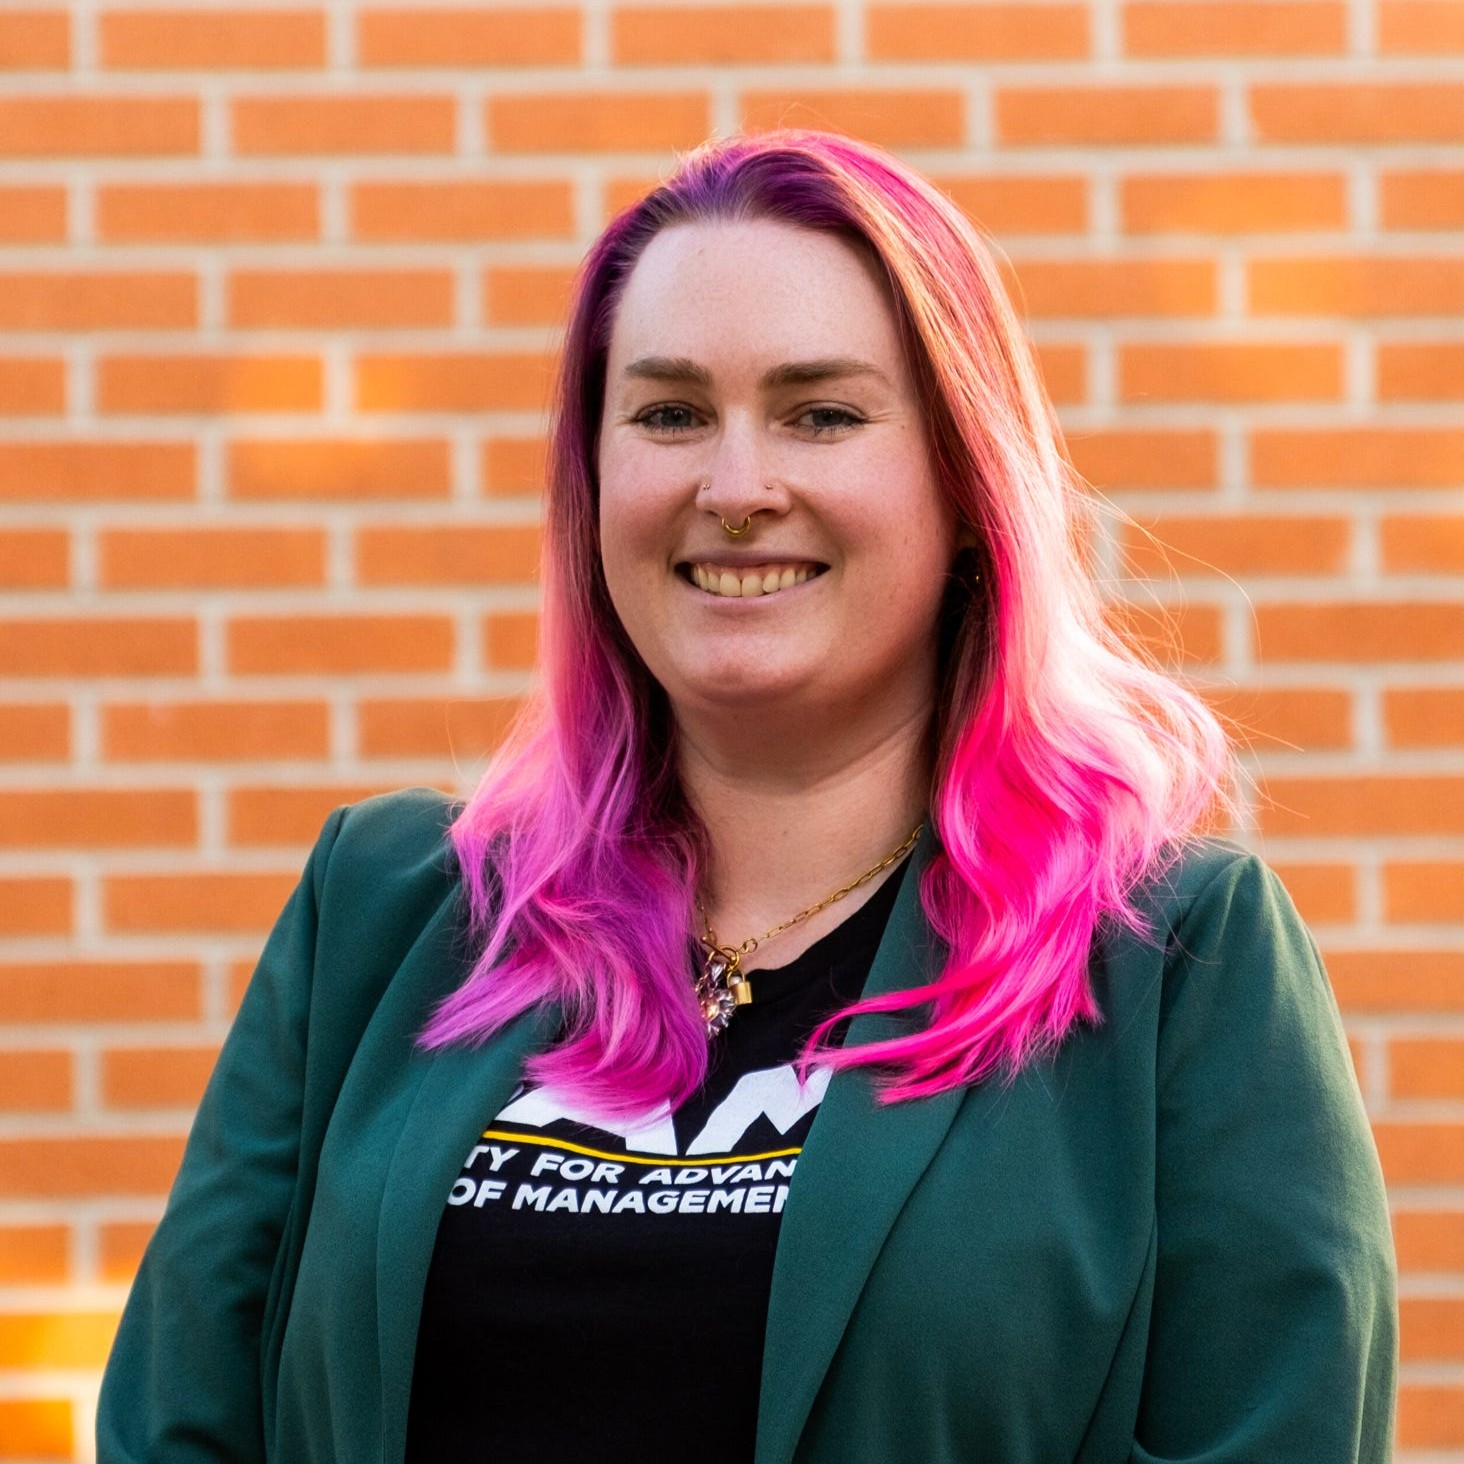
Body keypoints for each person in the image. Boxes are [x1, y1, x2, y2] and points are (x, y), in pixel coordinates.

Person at [97, 129, 1396, 1463]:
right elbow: (177, 1424)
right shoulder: (386, 913)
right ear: (591, 482)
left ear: (963, 488)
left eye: (819, 413)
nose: (736, 488)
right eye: (667, 414)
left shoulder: (1178, 964)